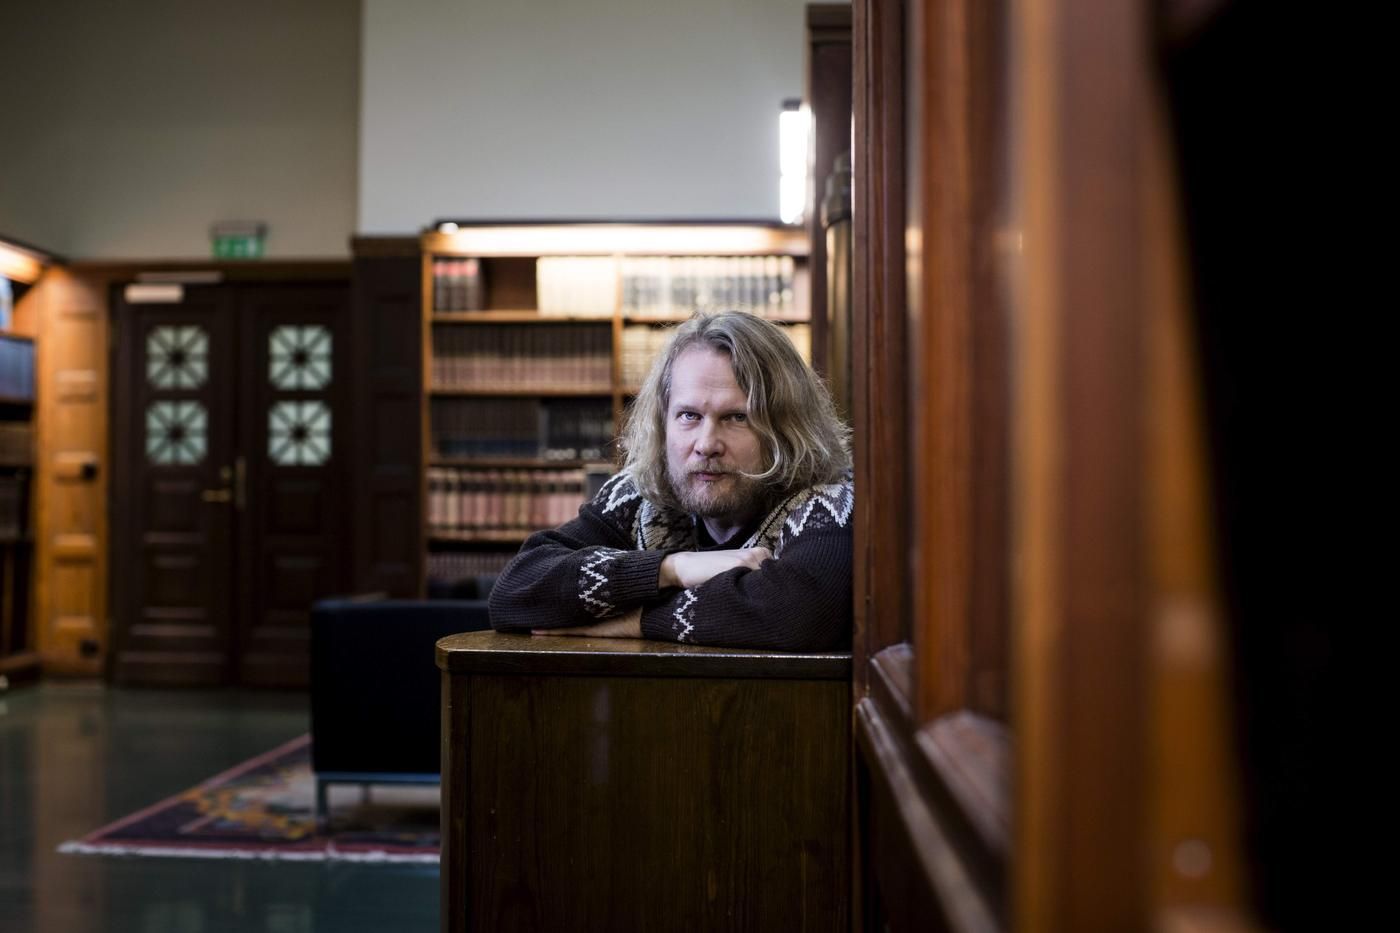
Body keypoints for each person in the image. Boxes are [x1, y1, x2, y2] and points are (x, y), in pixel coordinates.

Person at [488, 310, 854, 651]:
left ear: (786, 428)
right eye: (689, 416)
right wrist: (672, 568)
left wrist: (638, 620)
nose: (706, 444)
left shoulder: (832, 501)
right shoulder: (636, 496)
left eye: (737, 418)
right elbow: (516, 590)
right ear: (662, 422)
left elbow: (798, 614)